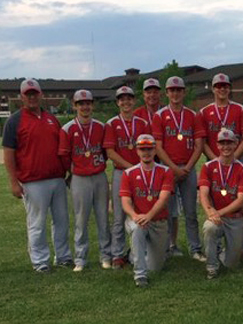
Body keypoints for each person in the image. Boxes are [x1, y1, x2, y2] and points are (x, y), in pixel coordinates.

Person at [2, 79, 73, 272]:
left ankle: (63, 256)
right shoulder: (15, 121)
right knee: (37, 223)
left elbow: (62, 147)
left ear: (40, 95)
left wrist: (68, 172)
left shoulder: (51, 118)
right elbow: (8, 152)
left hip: (57, 178)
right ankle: (40, 261)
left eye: (35, 93)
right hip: (32, 181)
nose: (32, 97)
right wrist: (13, 182)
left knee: (61, 221)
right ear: (21, 97)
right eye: (28, 94)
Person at [152, 76, 206, 261]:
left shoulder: (193, 115)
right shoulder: (159, 116)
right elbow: (158, 146)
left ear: (184, 92)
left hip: (188, 169)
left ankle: (195, 248)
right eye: (171, 90)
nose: (175, 93)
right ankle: (167, 247)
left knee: (190, 212)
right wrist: (174, 168)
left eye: (178, 90)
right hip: (167, 170)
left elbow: (199, 145)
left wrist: (188, 168)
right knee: (167, 211)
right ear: (166, 93)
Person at [200, 73, 243, 257]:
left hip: (236, 158)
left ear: (229, 88)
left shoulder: (240, 109)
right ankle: (213, 244)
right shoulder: (205, 111)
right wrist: (217, 158)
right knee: (213, 200)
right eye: (218, 86)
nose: (222, 89)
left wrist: (232, 158)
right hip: (214, 160)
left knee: (239, 203)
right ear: (213, 88)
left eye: (225, 86)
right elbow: (203, 140)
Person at [58, 89, 112, 271]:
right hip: (79, 178)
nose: (85, 106)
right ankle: (80, 258)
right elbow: (64, 156)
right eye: (81, 103)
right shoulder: (67, 128)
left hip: (99, 176)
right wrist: (73, 170)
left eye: (88, 103)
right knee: (81, 220)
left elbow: (105, 153)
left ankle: (106, 255)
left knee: (103, 218)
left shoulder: (101, 126)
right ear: (75, 106)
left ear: (92, 105)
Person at [104, 86, 151, 269]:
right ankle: (117, 253)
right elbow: (110, 152)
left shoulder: (142, 123)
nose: (126, 102)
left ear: (134, 101)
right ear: (118, 102)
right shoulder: (111, 123)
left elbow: (148, 148)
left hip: (141, 172)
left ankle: (138, 251)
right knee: (119, 214)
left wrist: (137, 169)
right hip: (122, 172)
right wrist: (131, 167)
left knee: (140, 210)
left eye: (129, 99)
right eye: (122, 99)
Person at [120, 134, 174, 288]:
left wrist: (149, 216)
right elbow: (125, 201)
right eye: (142, 149)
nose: (146, 152)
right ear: (137, 151)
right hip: (138, 220)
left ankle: (133, 255)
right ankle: (140, 275)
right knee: (137, 228)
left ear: (155, 150)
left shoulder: (165, 171)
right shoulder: (129, 173)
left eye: (149, 148)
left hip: (158, 221)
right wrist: (135, 216)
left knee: (156, 267)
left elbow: (163, 199)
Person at [199, 129, 243, 279]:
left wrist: (218, 212)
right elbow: (203, 194)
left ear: (236, 144)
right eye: (222, 143)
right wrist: (210, 212)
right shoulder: (208, 166)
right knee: (209, 228)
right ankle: (211, 266)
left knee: (232, 263)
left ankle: (220, 253)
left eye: (229, 143)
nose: (226, 146)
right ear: (217, 145)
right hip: (216, 217)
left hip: (235, 218)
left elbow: (241, 200)